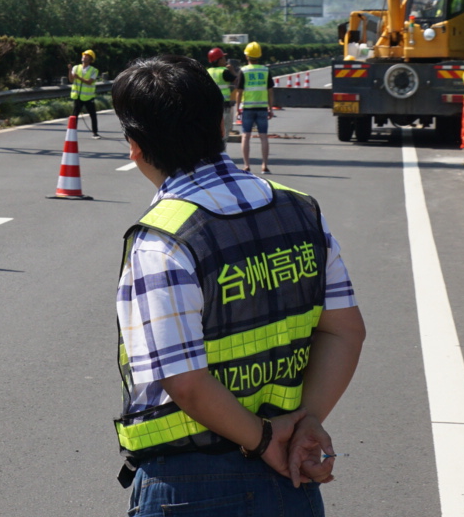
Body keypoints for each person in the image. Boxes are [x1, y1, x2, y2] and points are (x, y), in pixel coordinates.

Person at [112, 55, 365, 515]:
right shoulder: (301, 210)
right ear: (223, 122)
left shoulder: (163, 239)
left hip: (190, 486)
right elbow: (346, 331)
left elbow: (185, 382)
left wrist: (265, 440)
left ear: (135, 146)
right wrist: (304, 424)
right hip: (290, 477)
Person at [232, 42, 272, 174]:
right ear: (259, 55)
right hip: (262, 107)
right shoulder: (265, 70)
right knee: (263, 137)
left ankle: (246, 165)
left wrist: (238, 109)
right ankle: (264, 165)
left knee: (246, 136)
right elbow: (270, 91)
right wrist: (270, 108)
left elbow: (239, 92)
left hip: (248, 108)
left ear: (246, 56)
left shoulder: (244, 71)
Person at [69, 49, 101, 138]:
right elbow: (71, 80)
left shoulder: (94, 70)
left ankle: (95, 133)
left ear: (90, 59)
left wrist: (78, 77)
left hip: (88, 97)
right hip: (78, 96)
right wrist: (70, 70)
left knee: (93, 115)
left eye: (87, 56)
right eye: (83, 56)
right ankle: (72, 133)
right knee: (74, 116)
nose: (84, 57)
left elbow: (89, 82)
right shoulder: (76, 68)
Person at [205, 47, 235, 142]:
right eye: (223, 58)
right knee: (224, 130)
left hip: (210, 105)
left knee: (212, 129)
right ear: (219, 60)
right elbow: (237, 81)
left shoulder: (207, 71)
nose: (225, 60)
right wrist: (232, 70)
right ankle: (222, 149)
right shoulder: (224, 71)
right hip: (224, 105)